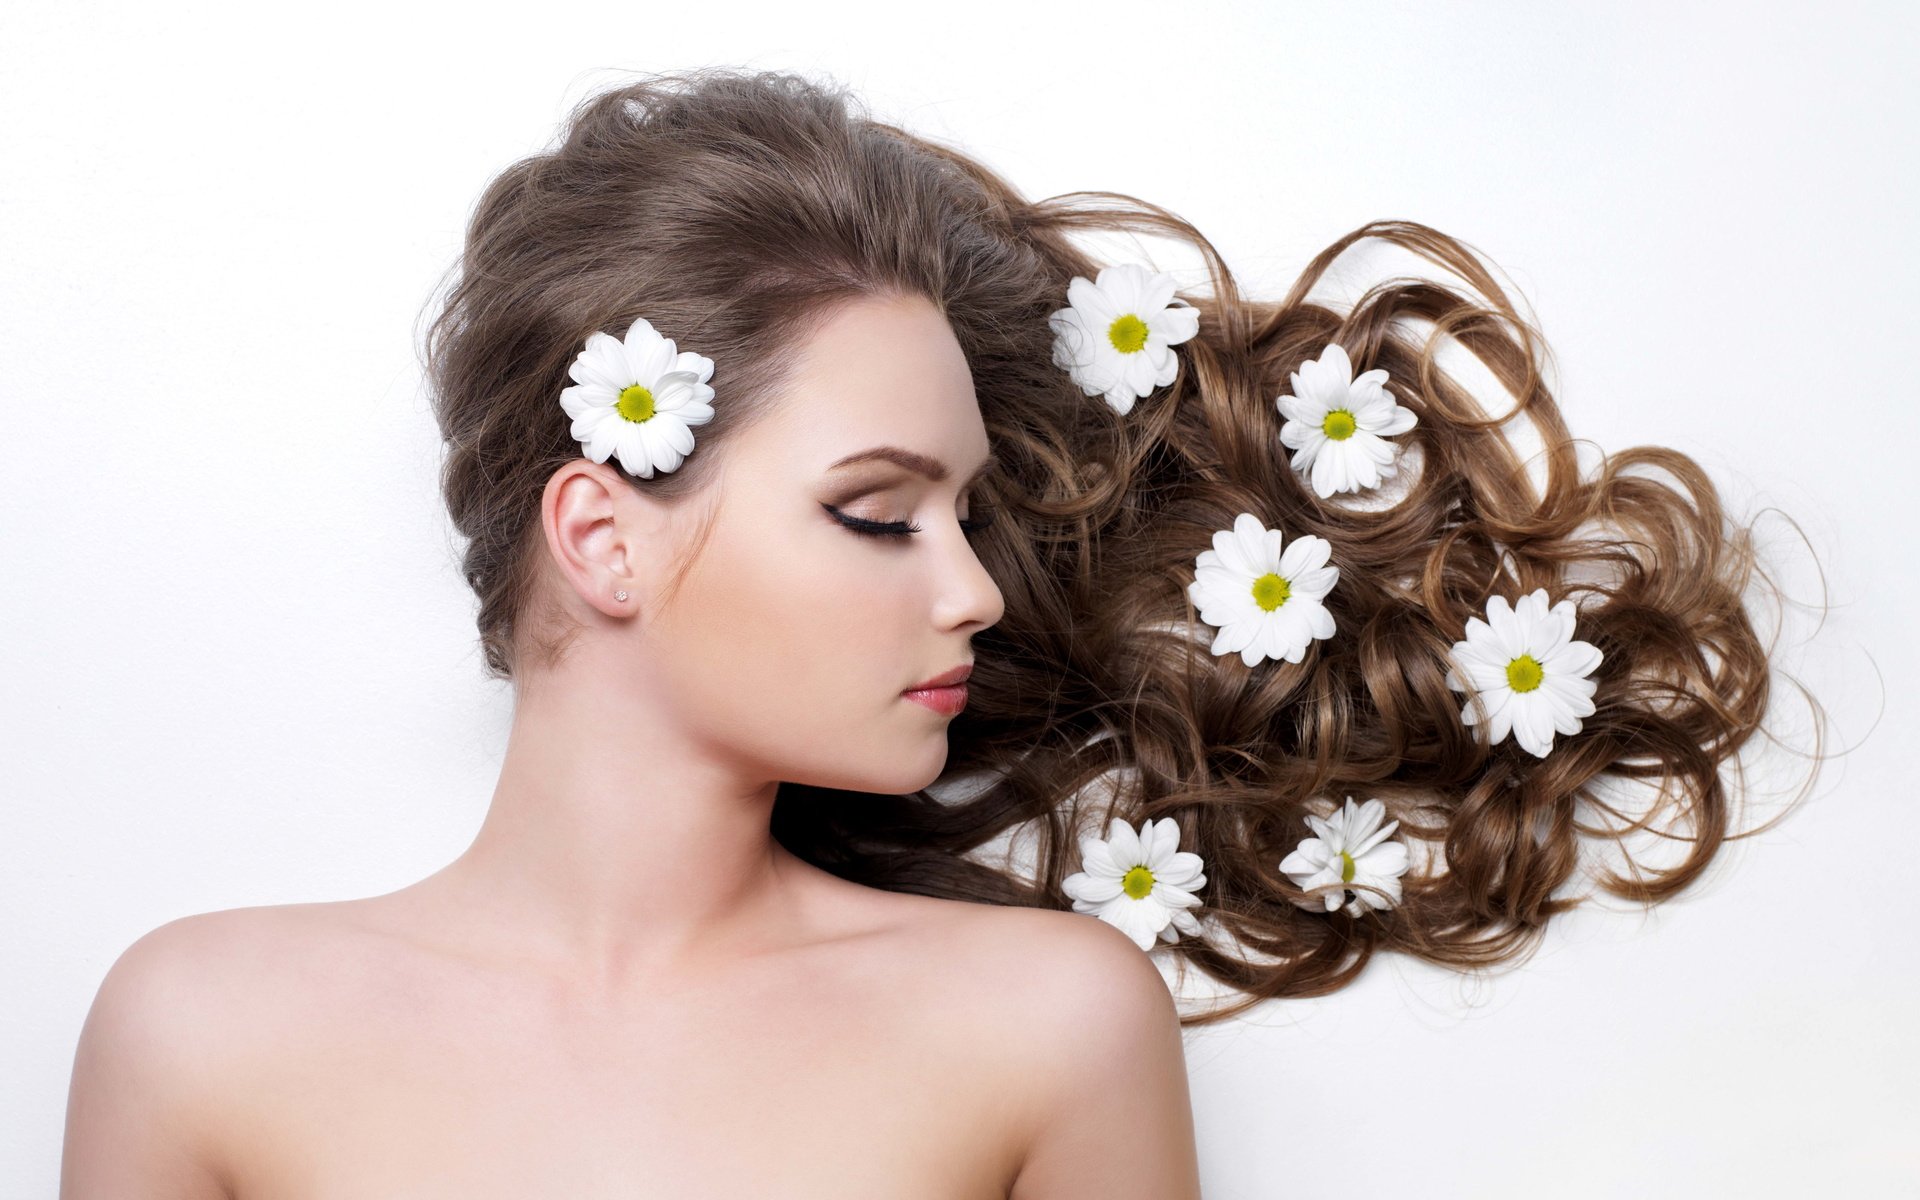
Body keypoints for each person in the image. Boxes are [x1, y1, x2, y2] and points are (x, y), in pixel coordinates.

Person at [59, 65, 1821, 1197]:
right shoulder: (201, 1036)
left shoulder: (1047, 1028)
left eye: (965, 516)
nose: (971, 588)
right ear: (600, 535)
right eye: (876, 512)